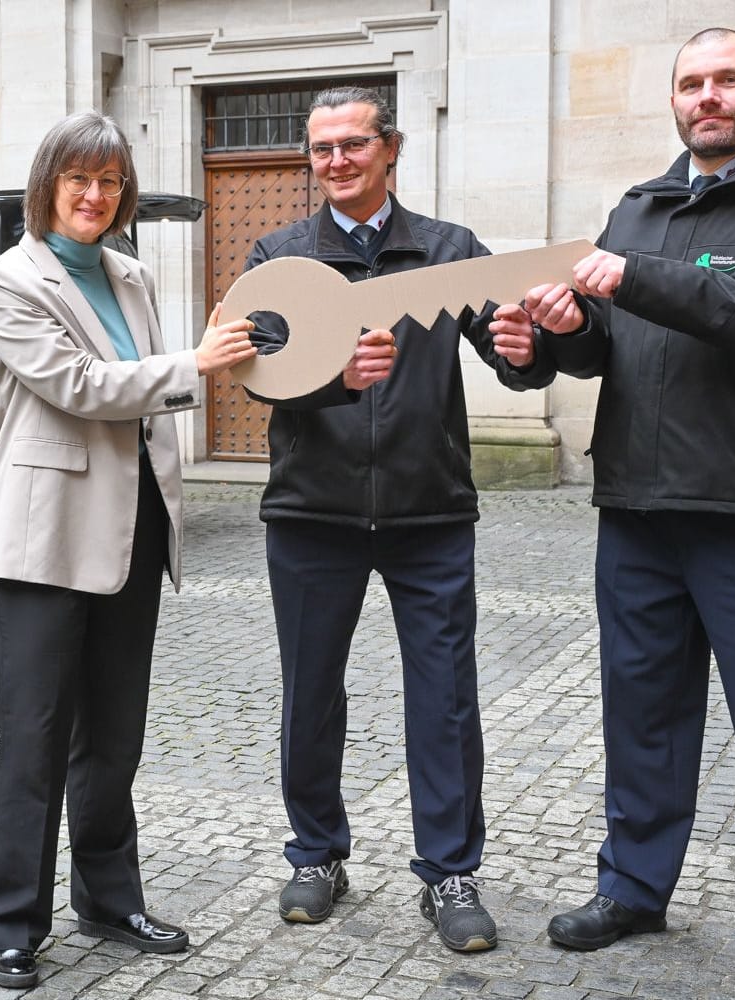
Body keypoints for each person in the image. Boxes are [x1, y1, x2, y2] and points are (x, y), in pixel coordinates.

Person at [512, 28, 735, 987]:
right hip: (635, 503)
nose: (707, 97)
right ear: (672, 101)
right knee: (643, 716)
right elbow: (604, 347)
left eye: (726, 81)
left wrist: (627, 278)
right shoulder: (639, 205)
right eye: (690, 84)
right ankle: (633, 886)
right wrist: (550, 335)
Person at [241, 86, 552, 953]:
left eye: (350, 144)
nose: (334, 161)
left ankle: (450, 872)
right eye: (320, 149)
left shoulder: (448, 251)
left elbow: (513, 350)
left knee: (446, 700)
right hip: (312, 512)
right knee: (310, 694)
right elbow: (257, 371)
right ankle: (314, 855)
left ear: (389, 149)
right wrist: (334, 376)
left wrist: (531, 352)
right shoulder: (280, 255)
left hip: (428, 514)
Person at [0, 111, 257, 990]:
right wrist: (192, 366)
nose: (95, 197)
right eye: (78, 180)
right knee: (34, 738)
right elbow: (78, 387)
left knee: (114, 737)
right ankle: (11, 922)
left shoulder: (129, 275)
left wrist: (211, 364)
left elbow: (139, 393)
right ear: (47, 184)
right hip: (42, 538)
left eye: (110, 182)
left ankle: (107, 896)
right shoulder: (5, 281)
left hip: (130, 529)